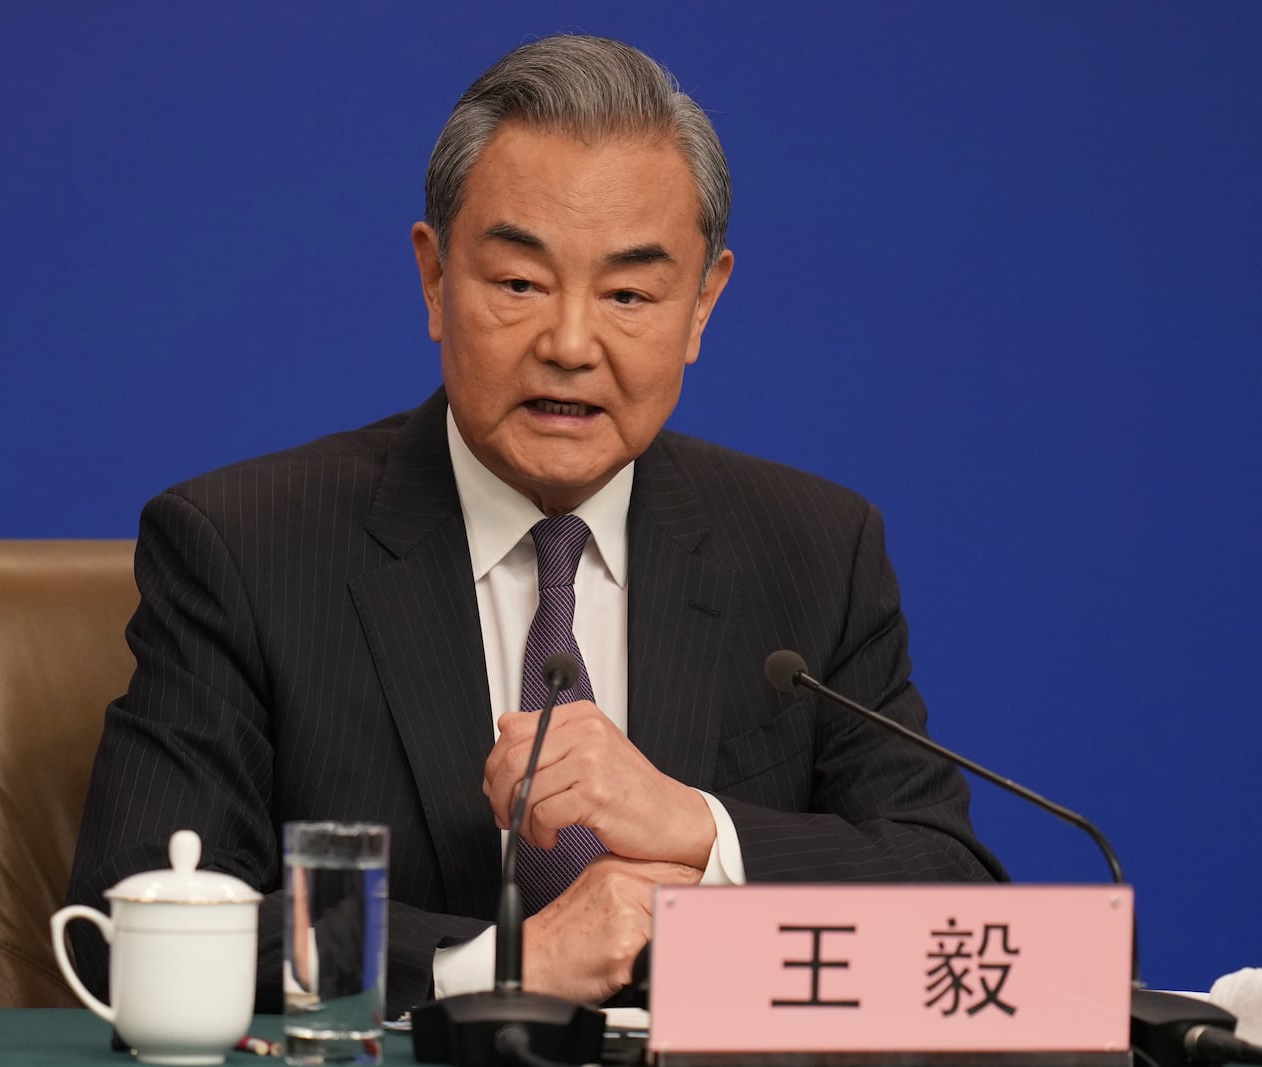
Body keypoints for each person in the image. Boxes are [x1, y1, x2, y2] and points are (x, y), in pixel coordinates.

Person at [66, 33, 1003, 1017]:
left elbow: (958, 900)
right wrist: (496, 962)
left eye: (629, 294)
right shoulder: (245, 548)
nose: (568, 343)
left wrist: (697, 827)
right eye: (518, 283)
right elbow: (134, 925)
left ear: (701, 304)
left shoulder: (813, 549)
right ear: (434, 279)